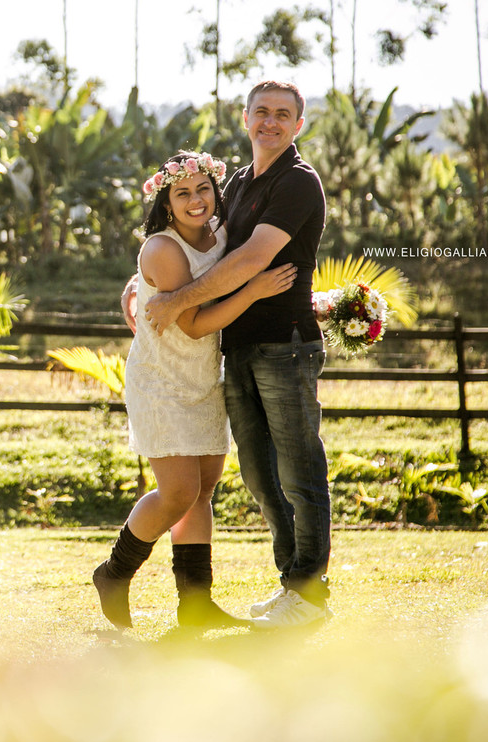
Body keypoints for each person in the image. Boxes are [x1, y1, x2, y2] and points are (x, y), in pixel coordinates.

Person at [135, 80, 332, 630]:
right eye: (262, 112)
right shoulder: (241, 183)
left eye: (283, 114)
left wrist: (175, 302)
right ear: (245, 118)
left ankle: (310, 592)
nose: (271, 121)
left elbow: (250, 260)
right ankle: (291, 582)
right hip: (237, 348)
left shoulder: (297, 183)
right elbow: (192, 247)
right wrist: (141, 287)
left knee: (300, 471)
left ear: (298, 124)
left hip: (285, 344)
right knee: (259, 476)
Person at [93, 150, 296, 631]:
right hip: (161, 381)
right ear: (165, 202)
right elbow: (196, 323)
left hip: (205, 379)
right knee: (178, 491)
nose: (195, 200)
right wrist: (252, 290)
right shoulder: (162, 249)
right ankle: (114, 572)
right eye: (182, 193)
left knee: (202, 490)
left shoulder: (222, 236)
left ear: (215, 192)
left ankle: (196, 603)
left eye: (203, 189)